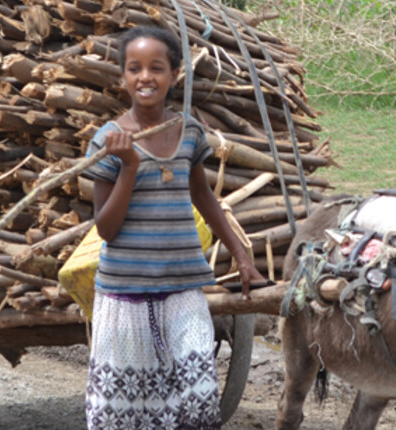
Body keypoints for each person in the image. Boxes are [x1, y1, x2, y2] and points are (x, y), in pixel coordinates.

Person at [81, 26, 265, 430]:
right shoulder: (108, 140)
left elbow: (204, 197)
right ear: (123, 77)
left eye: (156, 68)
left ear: (175, 75)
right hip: (124, 295)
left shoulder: (189, 131)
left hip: (184, 290)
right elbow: (106, 229)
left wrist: (240, 255)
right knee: (127, 414)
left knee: (195, 405)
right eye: (135, 68)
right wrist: (129, 167)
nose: (145, 77)